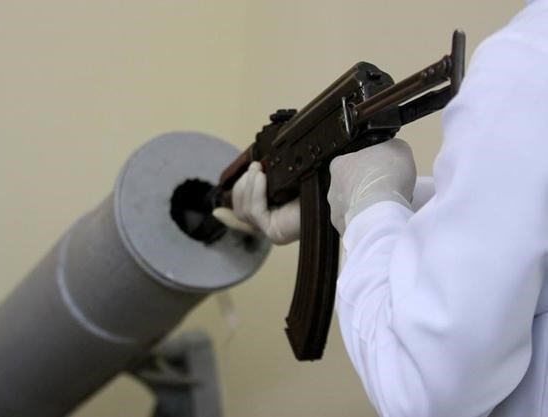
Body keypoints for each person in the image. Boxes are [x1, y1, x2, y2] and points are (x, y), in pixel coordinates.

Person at [213, 1, 548, 415]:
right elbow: (514, 220)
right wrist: (347, 202)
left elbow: (424, 388)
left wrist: (369, 211)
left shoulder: (525, 59)